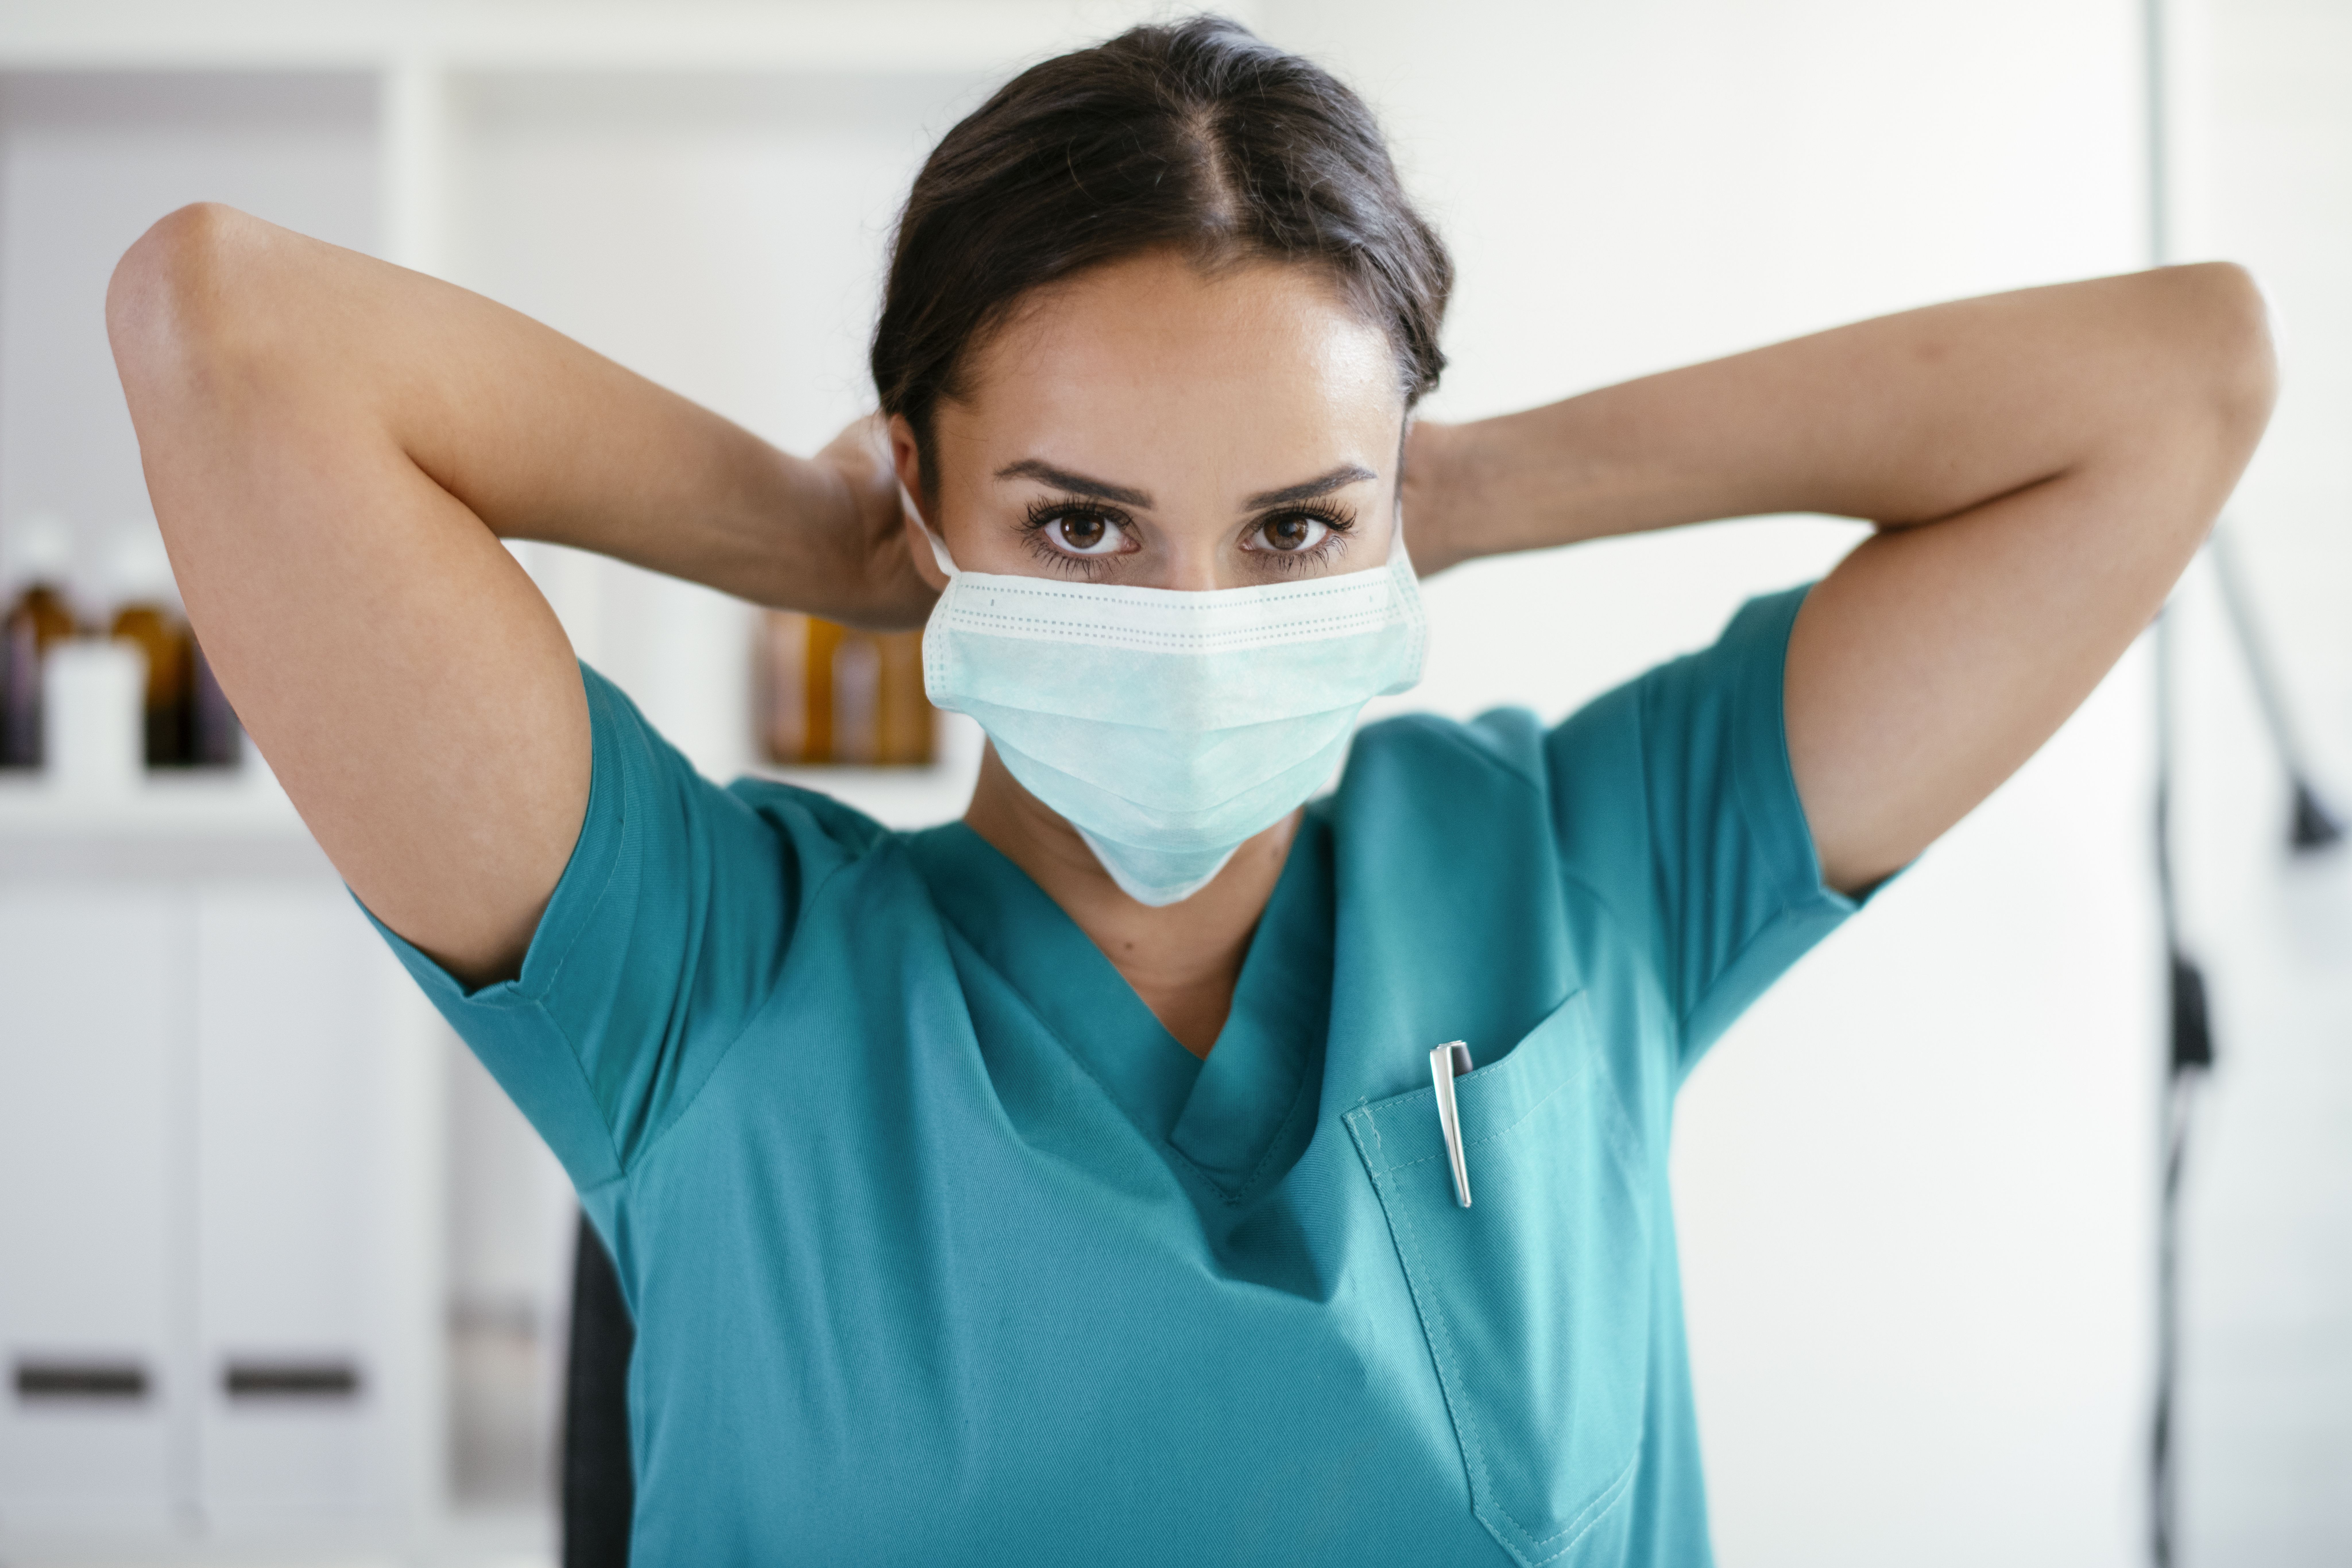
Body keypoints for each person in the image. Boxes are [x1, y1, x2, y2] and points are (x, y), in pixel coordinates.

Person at [106, 17, 2273, 1567]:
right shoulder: (700, 975)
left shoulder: (1582, 874)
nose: (1198, 613)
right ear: (926, 483)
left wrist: (1471, 487)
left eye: (1293, 526)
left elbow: (2181, 381)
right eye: (1079, 525)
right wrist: (794, 529)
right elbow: (229, 328)